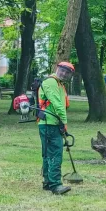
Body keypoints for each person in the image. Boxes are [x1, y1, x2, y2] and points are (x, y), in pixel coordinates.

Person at [38, 61, 75, 195]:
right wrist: (64, 122)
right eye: (62, 70)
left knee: (48, 153)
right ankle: (55, 185)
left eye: (67, 72)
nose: (64, 73)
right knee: (55, 154)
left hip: (51, 122)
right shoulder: (51, 82)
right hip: (49, 123)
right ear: (57, 69)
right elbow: (57, 104)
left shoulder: (58, 84)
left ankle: (48, 182)